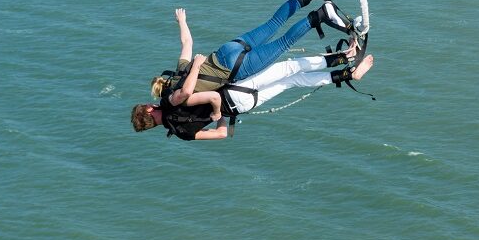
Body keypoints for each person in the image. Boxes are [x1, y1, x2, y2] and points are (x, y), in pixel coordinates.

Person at [150, 0, 352, 118]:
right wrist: (182, 21)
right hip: (226, 50)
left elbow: (193, 93)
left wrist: (217, 113)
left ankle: (321, 15)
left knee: (283, 43)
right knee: (273, 23)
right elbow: (187, 42)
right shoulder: (179, 70)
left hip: (237, 67)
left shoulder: (180, 97)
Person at [130, 53, 374, 140]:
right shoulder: (172, 104)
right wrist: (216, 110)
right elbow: (212, 99)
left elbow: (221, 133)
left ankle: (347, 74)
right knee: (289, 68)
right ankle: (346, 59)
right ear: (150, 111)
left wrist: (221, 117)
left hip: (241, 107)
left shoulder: (181, 134)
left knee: (291, 81)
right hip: (233, 93)